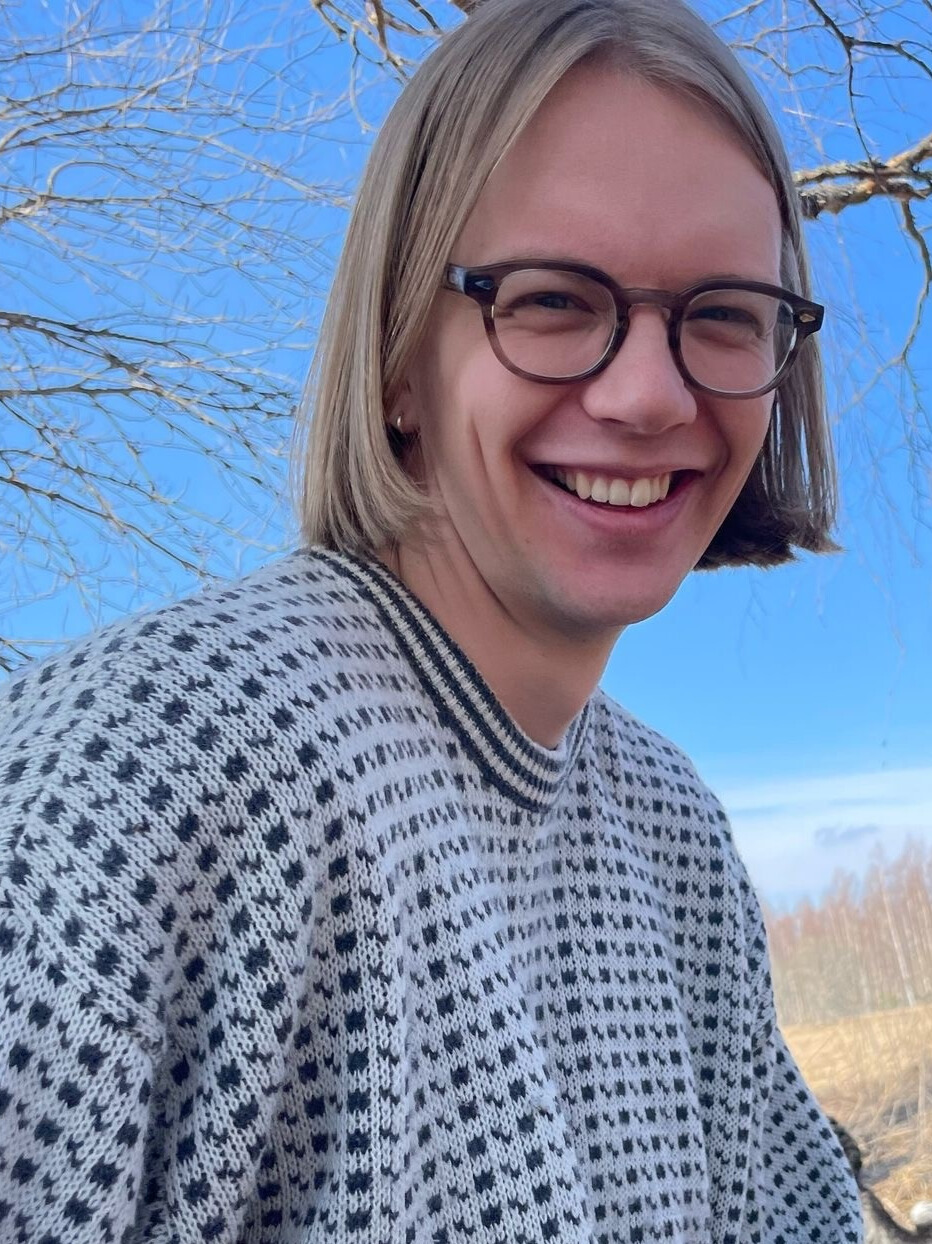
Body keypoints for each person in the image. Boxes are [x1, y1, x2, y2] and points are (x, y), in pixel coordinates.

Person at [0, 0, 862, 1240]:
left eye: (724, 312)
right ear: (401, 359)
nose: (646, 393)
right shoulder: (147, 769)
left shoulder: (672, 834)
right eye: (552, 299)